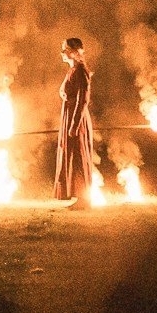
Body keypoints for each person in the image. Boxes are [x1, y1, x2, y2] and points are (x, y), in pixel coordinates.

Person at [55, 35, 98, 204]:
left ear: (74, 52)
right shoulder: (72, 70)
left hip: (76, 118)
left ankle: (84, 198)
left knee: (78, 155)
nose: (62, 53)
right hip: (69, 114)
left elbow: (83, 99)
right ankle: (75, 195)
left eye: (65, 49)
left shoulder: (81, 70)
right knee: (71, 154)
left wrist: (74, 124)